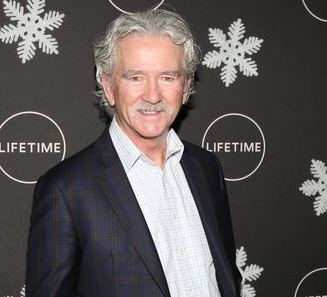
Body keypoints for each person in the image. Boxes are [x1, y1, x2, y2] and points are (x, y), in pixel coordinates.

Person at [26, 9, 240, 297]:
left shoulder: (206, 167)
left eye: (168, 77)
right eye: (135, 77)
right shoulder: (66, 189)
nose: (152, 96)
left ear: (187, 87)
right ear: (108, 86)